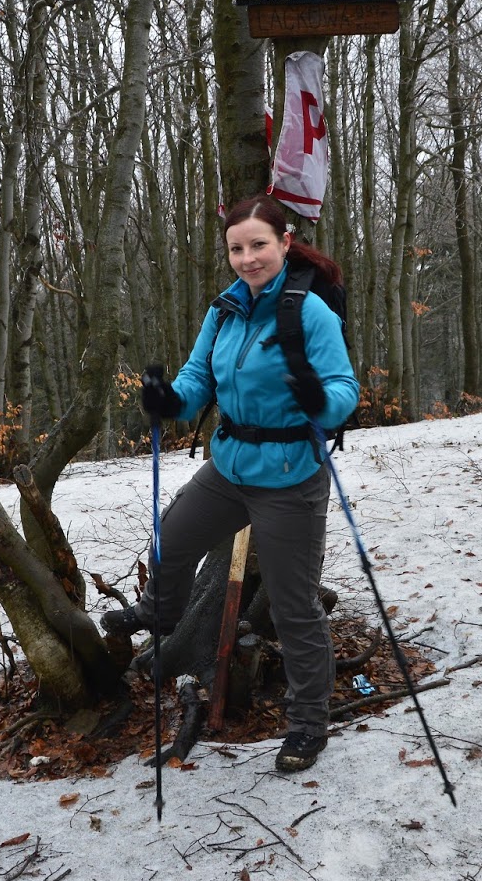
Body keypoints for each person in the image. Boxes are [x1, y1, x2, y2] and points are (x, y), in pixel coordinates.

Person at [103, 193, 360, 773]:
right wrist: (170, 400)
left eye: (259, 245)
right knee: (170, 539)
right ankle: (162, 616)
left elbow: (344, 386)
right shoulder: (223, 311)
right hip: (230, 466)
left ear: (285, 243)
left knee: (295, 607)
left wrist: (322, 401)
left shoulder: (309, 313)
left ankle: (307, 724)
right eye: (236, 249)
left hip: (292, 474)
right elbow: (198, 377)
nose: (247, 259)